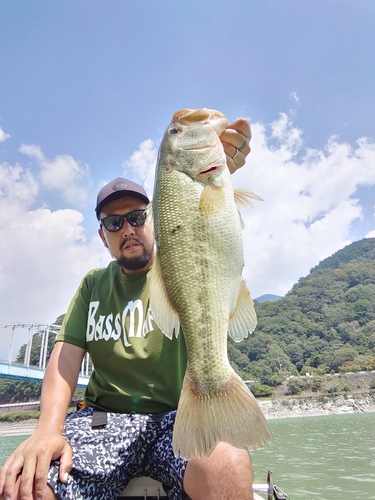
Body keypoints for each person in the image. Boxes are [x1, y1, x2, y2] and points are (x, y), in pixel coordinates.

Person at [0, 119, 253, 500]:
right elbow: (66, 357)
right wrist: (48, 430)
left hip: (179, 414)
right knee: (26, 485)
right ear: (103, 236)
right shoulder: (92, 285)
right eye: (114, 223)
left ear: (156, 219)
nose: (128, 229)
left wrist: (221, 172)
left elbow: (214, 229)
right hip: (103, 420)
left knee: (228, 465)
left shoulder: (181, 266)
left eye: (136, 217)